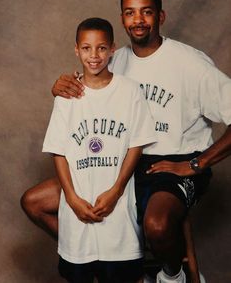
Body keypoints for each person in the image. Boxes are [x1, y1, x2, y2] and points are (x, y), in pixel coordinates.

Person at [21, 0, 231, 283]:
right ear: (122, 19)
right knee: (34, 202)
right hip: (117, 161)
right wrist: (60, 86)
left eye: (146, 12)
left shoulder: (191, 64)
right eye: (130, 13)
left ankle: (172, 275)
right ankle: (95, 253)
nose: (138, 20)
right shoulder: (115, 60)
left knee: (157, 225)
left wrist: (196, 164)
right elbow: (82, 90)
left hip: (173, 163)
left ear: (161, 16)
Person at [42, 17, 156, 283]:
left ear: (113, 49)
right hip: (77, 214)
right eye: (86, 48)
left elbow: (135, 145)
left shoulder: (129, 91)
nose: (94, 56)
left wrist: (116, 190)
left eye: (102, 48)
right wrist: (70, 197)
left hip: (118, 218)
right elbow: (58, 151)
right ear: (76, 50)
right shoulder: (68, 96)